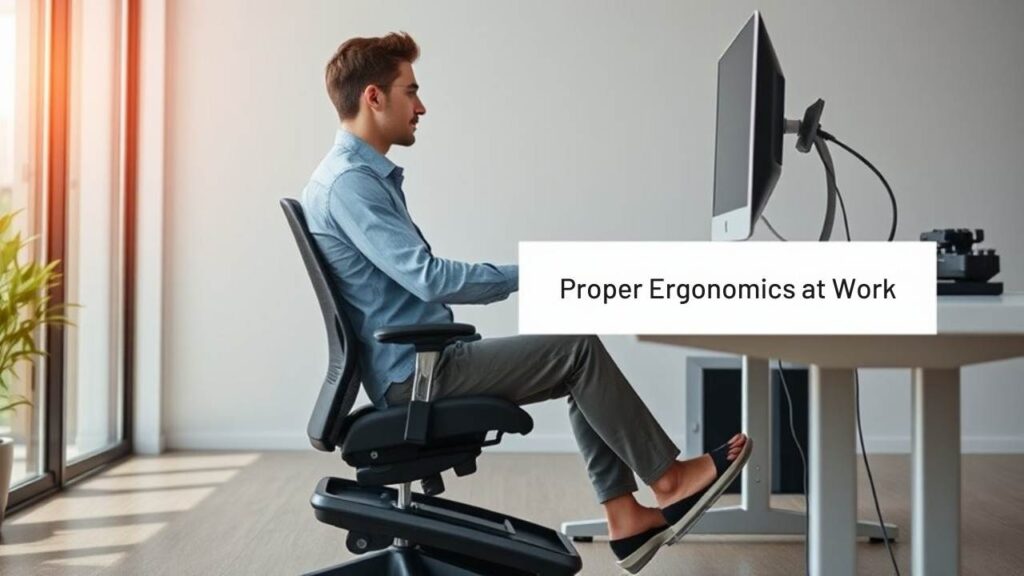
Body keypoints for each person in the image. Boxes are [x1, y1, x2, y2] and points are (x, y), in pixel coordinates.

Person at [300, 31, 751, 574]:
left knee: (571, 350)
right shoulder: (352, 183)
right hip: (417, 376)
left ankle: (625, 515)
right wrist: (533, 274)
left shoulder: (354, 176)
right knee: (576, 349)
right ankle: (668, 479)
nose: (421, 106)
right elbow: (429, 279)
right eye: (409, 91)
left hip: (419, 363)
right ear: (374, 97)